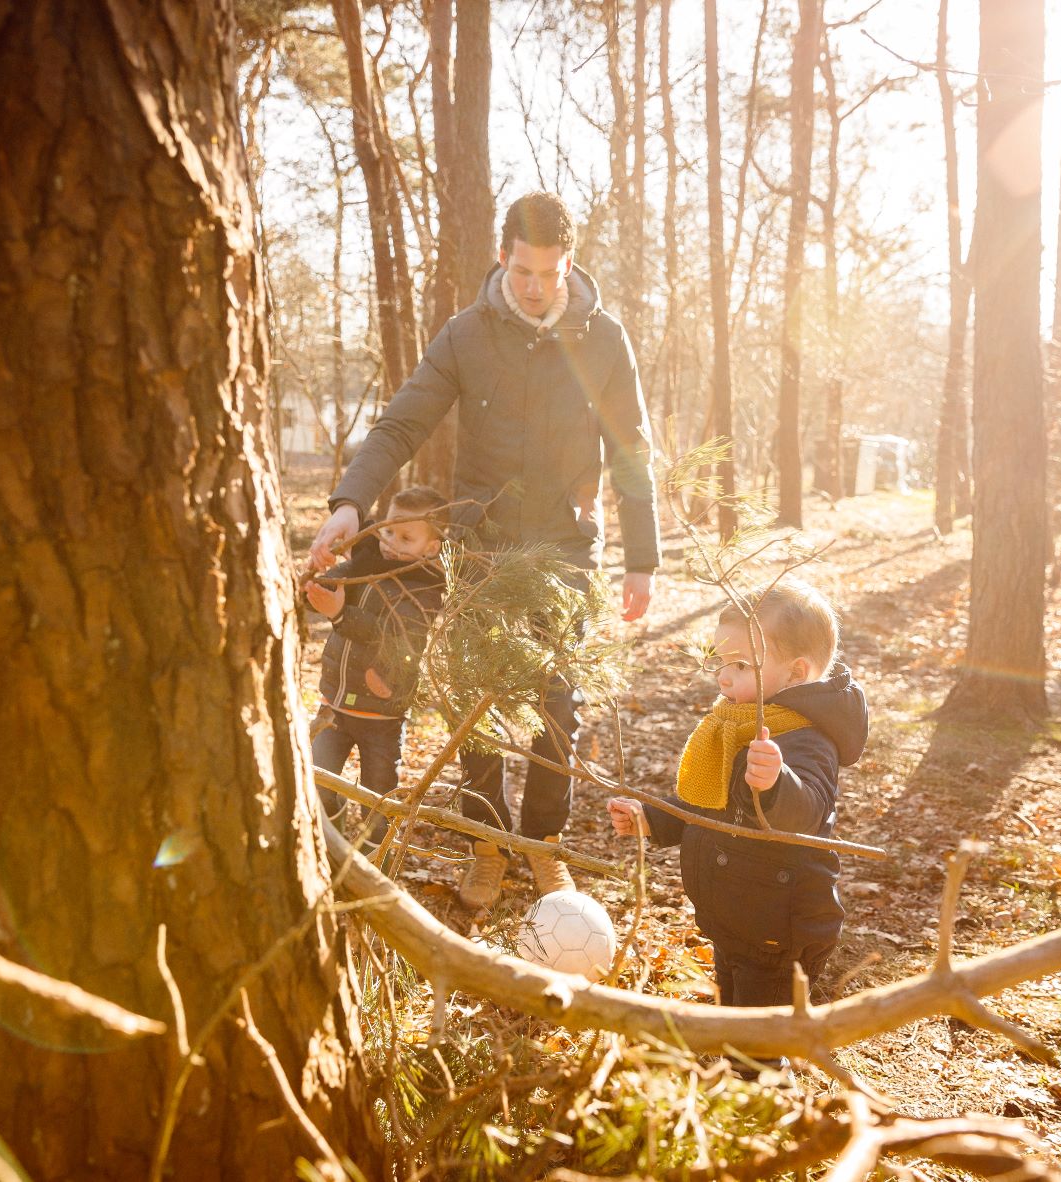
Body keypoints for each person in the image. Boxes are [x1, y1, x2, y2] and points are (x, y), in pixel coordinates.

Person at [309, 191, 660, 910]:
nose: (536, 288)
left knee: (557, 706)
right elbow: (401, 424)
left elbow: (630, 449)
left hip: (563, 546)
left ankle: (542, 847)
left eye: (550, 273)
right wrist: (350, 502)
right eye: (524, 271)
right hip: (479, 546)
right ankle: (486, 846)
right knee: (478, 703)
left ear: (569, 264)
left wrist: (641, 558)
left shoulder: (602, 338)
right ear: (502, 256)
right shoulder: (467, 334)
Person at [607, 583, 868, 1008]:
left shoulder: (808, 739)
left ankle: (762, 1072)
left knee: (759, 1040)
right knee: (732, 1011)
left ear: (796, 673)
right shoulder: (738, 722)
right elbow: (708, 801)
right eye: (721, 662)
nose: (723, 676)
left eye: (742, 665)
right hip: (735, 915)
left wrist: (776, 784)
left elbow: (807, 811)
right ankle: (736, 1064)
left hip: (780, 929)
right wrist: (651, 818)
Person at [305, 486, 448, 848]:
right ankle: (329, 845)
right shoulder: (366, 561)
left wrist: (339, 614)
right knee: (317, 780)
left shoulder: (423, 590)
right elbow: (332, 589)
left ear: (430, 548)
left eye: (405, 537)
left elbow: (393, 636)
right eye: (387, 531)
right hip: (335, 705)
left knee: (378, 801)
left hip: (381, 718)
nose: (390, 542)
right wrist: (313, 586)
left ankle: (374, 864)